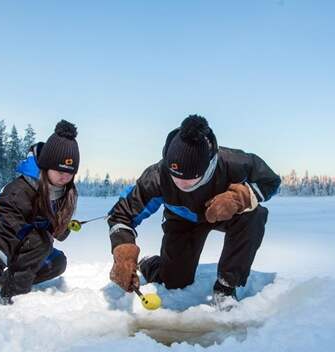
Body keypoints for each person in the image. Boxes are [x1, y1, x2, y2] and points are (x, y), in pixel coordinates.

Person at [107, 114, 280, 308]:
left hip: (224, 214)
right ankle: (151, 264)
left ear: (208, 167)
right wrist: (123, 252)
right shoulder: (157, 177)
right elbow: (121, 215)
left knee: (254, 216)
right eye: (175, 176)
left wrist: (238, 198)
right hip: (182, 220)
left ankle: (226, 287)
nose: (180, 183)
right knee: (174, 281)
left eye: (190, 178)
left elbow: (271, 181)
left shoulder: (234, 163)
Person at [0, 120, 80, 304]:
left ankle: (6, 282)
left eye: (70, 171)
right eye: (58, 169)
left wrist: (62, 225)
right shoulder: (19, 192)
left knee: (56, 262)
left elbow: (44, 222)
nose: (64, 176)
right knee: (40, 242)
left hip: (21, 238)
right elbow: (3, 231)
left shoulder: (61, 191)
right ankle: (11, 294)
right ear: (46, 165)